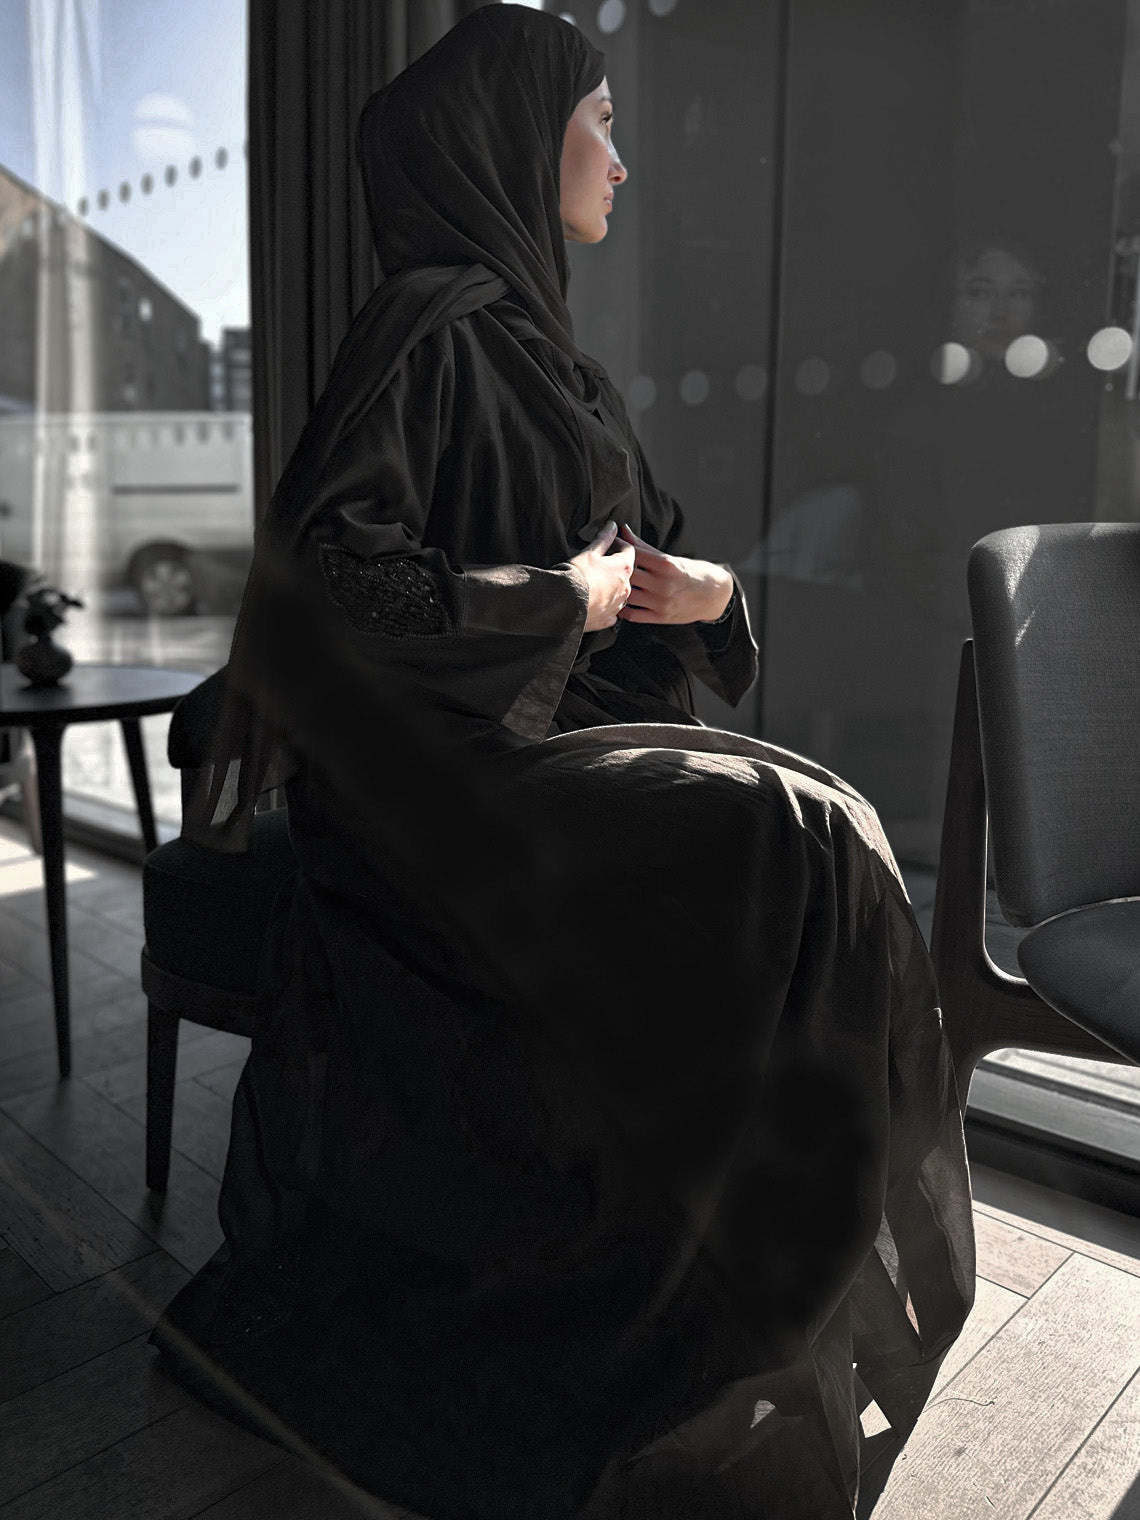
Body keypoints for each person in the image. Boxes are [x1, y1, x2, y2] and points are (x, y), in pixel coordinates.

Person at [150, 9, 974, 1518]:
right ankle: (702, 1320)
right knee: (793, 832)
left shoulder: (566, 373)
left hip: (548, 756)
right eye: (600, 122)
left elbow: (654, 553)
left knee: (811, 827)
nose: (621, 160)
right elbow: (333, 585)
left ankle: (751, 1302)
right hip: (427, 793)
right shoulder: (425, 331)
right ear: (517, 148)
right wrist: (558, 603)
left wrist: (706, 595)